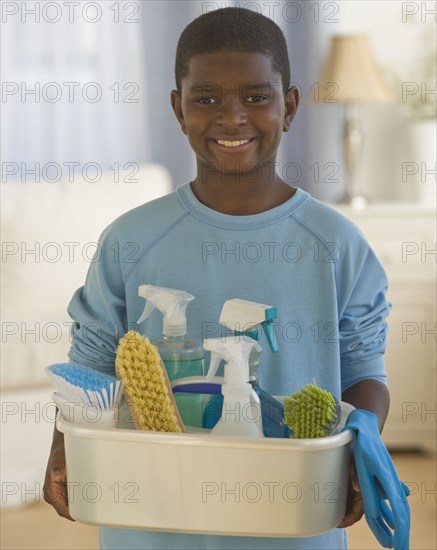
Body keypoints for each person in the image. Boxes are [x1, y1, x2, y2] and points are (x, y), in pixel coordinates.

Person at [44, 7, 391, 550]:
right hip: (149, 517)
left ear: (290, 105)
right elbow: (91, 364)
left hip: (291, 522)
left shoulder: (336, 244)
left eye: (257, 96)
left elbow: (364, 370)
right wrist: (63, 449)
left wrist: (358, 453)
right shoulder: (130, 239)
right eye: (206, 99)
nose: (232, 117)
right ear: (178, 109)